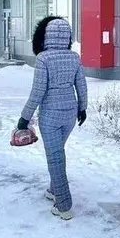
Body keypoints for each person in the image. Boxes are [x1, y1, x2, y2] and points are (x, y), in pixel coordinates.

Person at [17, 16, 88, 221]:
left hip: (50, 116)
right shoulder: (73, 57)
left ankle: (64, 205)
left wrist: (24, 118)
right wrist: (82, 108)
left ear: (45, 36)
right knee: (57, 152)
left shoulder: (44, 59)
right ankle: (54, 189)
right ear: (67, 36)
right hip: (70, 114)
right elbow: (81, 85)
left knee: (55, 158)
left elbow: (38, 92)